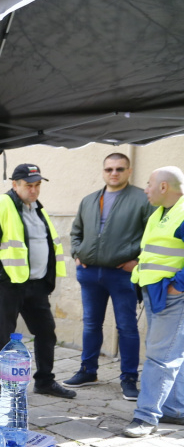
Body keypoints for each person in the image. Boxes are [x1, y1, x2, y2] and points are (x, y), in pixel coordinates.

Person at [0, 163, 76, 399]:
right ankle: (5, 385)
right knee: (5, 337)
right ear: (15, 184)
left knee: (46, 332)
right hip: (10, 286)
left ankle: (45, 381)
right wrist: (3, 279)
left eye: (38, 185)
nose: (34, 190)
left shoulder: (37, 209)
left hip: (37, 285)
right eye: (29, 185)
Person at [62, 152, 154, 399]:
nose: (114, 173)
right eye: (110, 169)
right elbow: (76, 231)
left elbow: (152, 235)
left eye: (120, 169)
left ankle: (129, 378)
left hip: (122, 274)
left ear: (129, 171)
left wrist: (137, 263)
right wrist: (77, 254)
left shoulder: (141, 199)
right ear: (103, 171)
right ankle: (88, 371)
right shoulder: (90, 200)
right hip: (90, 273)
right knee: (91, 323)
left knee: (127, 327)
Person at [122, 166, 184, 437]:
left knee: (160, 357)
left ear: (163, 187)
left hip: (171, 296)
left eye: (149, 184)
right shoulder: (160, 213)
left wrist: (177, 288)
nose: (145, 189)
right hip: (157, 293)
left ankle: (146, 417)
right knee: (173, 353)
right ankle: (175, 409)